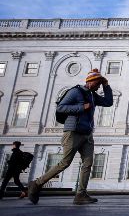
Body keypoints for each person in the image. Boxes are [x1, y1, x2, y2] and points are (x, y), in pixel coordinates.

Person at [27, 69, 113, 205]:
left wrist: (107, 85)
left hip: (87, 133)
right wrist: (81, 107)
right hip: (73, 131)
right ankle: (36, 184)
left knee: (88, 163)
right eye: (98, 84)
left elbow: (108, 102)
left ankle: (81, 194)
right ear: (91, 82)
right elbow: (60, 108)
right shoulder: (75, 92)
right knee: (65, 163)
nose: (98, 87)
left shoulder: (92, 95)